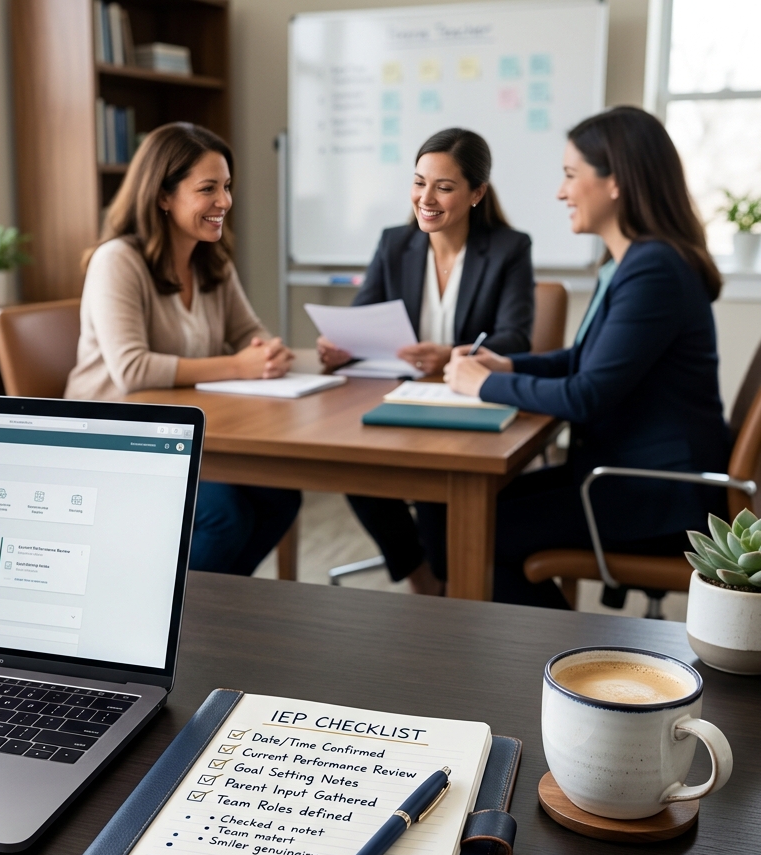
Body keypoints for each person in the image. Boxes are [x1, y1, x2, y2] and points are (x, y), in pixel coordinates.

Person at [444, 105, 730, 608]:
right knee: (458, 513)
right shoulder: (637, 261)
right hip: (627, 474)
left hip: (654, 492)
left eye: (571, 175)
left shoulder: (653, 270)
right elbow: (586, 360)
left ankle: (570, 664)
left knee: (472, 534)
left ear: (615, 182)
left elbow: (587, 394)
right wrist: (509, 366)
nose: (561, 191)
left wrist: (480, 384)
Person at [65, 122, 300, 576]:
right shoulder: (118, 261)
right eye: (208, 189)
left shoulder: (212, 259)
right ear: (163, 196)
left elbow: (249, 331)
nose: (224, 203)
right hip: (112, 435)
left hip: (181, 433)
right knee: (224, 515)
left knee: (280, 496)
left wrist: (268, 352)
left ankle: (212, 608)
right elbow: (132, 369)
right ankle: (170, 621)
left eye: (227, 187)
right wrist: (239, 365)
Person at [318, 128, 534, 593]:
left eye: (444, 186)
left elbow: (515, 338)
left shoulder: (508, 249)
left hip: (465, 403)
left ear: (477, 193)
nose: (426, 197)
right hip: (398, 398)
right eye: (419, 182)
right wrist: (341, 344)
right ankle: (421, 578)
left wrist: (451, 354)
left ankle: (449, 583)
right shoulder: (395, 243)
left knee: (441, 497)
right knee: (354, 465)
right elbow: (364, 318)